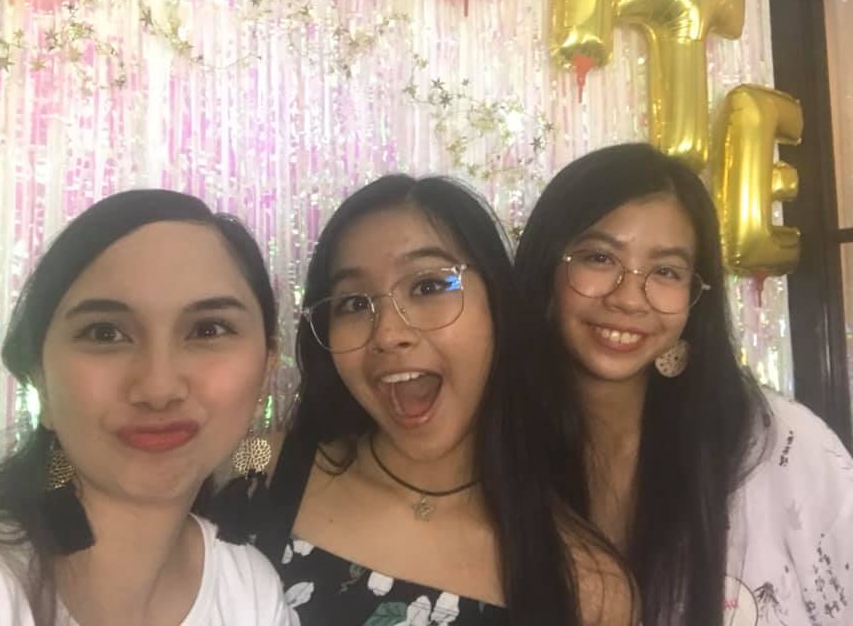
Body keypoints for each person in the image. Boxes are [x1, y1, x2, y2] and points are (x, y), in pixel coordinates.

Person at [229, 175, 632, 626]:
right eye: (354, 304)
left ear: (497, 304)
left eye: (428, 287)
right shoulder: (259, 464)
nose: (388, 334)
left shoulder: (591, 586)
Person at [0, 190, 292, 626]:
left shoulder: (249, 590)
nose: (158, 388)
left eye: (208, 329)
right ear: (41, 379)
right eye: (105, 333)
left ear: (265, 372)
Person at [510, 142, 853, 626]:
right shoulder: (497, 447)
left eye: (666, 271)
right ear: (547, 268)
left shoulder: (780, 445)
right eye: (600, 258)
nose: (630, 298)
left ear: (696, 294)